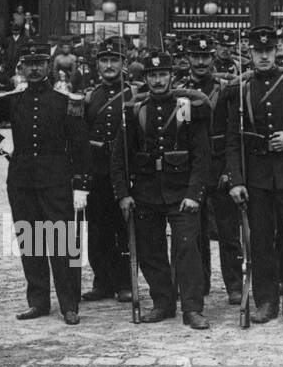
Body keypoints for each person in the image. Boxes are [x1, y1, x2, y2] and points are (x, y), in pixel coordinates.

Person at [0, 41, 92, 324]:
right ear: (21, 67)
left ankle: (70, 305)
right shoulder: (12, 99)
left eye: (39, 63)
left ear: (49, 65)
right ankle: (39, 302)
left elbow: (80, 146)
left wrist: (81, 185)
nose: (34, 68)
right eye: (28, 63)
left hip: (57, 180)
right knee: (30, 242)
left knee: (62, 243)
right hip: (21, 181)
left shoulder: (65, 101)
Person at [224, 25, 283, 327]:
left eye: (268, 51)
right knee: (261, 240)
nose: (264, 56)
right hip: (258, 176)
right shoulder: (241, 89)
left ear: (277, 51)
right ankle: (265, 302)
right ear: (250, 53)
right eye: (258, 51)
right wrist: (237, 180)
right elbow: (233, 140)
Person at [111, 51, 213, 329]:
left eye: (162, 74)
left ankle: (192, 309)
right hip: (145, 193)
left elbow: (201, 155)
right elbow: (120, 157)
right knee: (150, 250)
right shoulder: (135, 110)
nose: (158, 80)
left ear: (171, 76)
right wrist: (123, 194)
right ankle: (163, 303)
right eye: (152, 75)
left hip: (181, 193)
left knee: (186, 250)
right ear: (145, 78)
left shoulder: (184, 107)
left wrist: (194, 194)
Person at [179, 33, 244, 305]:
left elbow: (233, 133)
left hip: (220, 166)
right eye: (196, 56)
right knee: (197, 231)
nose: (201, 62)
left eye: (205, 56)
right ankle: (201, 283)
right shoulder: (180, 91)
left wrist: (230, 170)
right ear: (187, 59)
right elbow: (181, 131)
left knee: (229, 231)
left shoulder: (225, 88)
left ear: (213, 57)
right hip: (195, 169)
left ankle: (234, 286)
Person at [80, 38, 136, 303]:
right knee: (98, 229)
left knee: (124, 230)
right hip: (98, 172)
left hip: (125, 172)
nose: (110, 65)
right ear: (97, 64)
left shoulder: (135, 94)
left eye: (115, 60)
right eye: (105, 60)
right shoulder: (90, 97)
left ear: (124, 64)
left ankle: (125, 283)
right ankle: (102, 282)